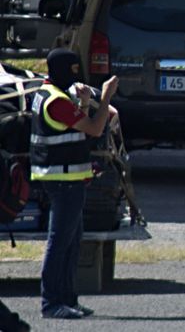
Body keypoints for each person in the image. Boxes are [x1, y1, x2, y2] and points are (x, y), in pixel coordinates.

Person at [30, 48, 119, 319]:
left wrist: (82, 102)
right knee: (60, 242)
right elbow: (94, 128)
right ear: (61, 69)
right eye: (72, 70)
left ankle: (68, 299)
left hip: (68, 178)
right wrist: (104, 98)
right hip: (62, 180)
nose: (76, 76)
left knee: (71, 242)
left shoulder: (51, 95)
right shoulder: (55, 101)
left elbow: (72, 129)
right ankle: (51, 303)